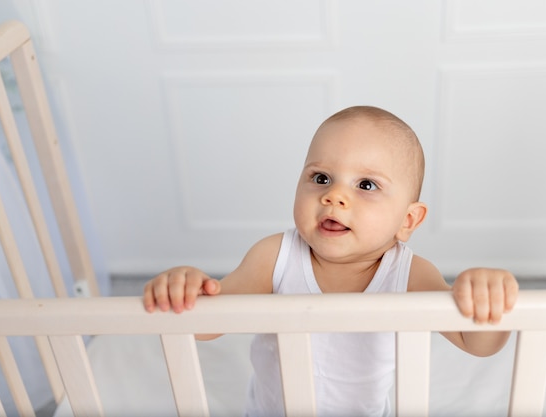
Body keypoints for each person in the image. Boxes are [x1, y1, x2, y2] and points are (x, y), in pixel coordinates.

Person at [143, 105, 519, 416]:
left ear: (408, 220)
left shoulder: (409, 274)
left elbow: (478, 344)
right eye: (321, 177)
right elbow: (210, 322)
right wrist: (187, 289)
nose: (335, 196)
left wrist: (487, 300)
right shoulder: (274, 256)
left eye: (366, 185)